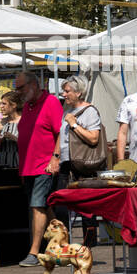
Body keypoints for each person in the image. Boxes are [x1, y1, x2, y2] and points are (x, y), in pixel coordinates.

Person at [15, 72, 63, 267]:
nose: (18, 92)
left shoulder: (50, 102)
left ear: (34, 85)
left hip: (44, 164)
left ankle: (34, 252)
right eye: (17, 88)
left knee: (37, 206)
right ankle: (62, 240)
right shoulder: (28, 105)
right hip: (29, 166)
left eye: (21, 88)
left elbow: (61, 132)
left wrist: (55, 157)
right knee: (45, 208)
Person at [55, 76, 102, 245]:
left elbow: (94, 138)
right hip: (65, 163)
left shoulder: (90, 111)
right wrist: (55, 157)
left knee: (86, 208)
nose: (64, 94)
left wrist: (74, 125)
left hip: (83, 164)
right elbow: (61, 136)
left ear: (79, 92)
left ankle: (87, 246)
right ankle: (64, 244)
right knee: (59, 205)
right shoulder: (67, 112)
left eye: (67, 91)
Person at [0, 91, 20, 169]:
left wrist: (14, 138)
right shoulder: (0, 123)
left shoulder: (24, 121)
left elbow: (30, 146)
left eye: (4, 104)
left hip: (19, 163)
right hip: (3, 163)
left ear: (14, 105)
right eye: (0, 104)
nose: (1, 106)